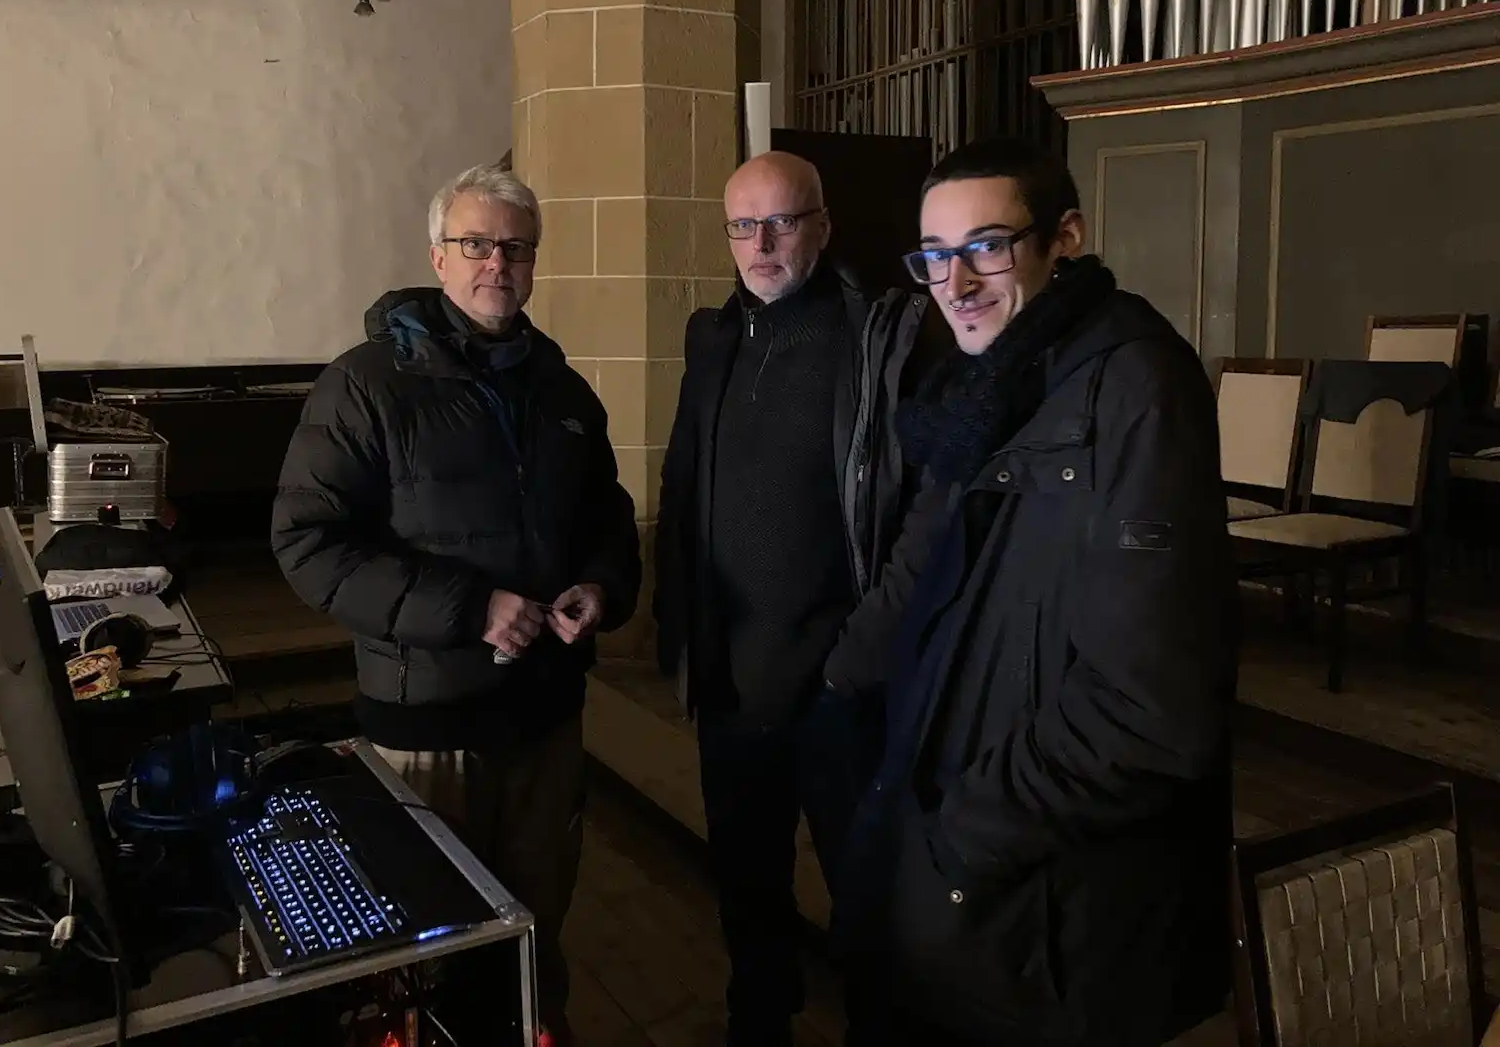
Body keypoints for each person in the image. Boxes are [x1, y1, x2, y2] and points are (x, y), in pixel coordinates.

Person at [838, 137, 1237, 1046]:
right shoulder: (990, 382)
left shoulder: (1136, 386)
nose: (957, 281)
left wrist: (957, 842)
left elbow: (1147, 710)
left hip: (1045, 889)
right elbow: (923, 566)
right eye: (935, 255)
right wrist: (840, 686)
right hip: (959, 838)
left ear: (1065, 238)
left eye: (987, 245)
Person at [271, 164, 641, 1047]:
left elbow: (610, 518)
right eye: (476, 244)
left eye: (515, 248)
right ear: (438, 256)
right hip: (427, 727)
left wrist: (601, 586)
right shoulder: (364, 386)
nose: (496, 264)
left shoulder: (562, 388)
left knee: (534, 932)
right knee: (423, 953)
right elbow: (308, 544)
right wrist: (470, 608)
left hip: (546, 720)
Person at [652, 150, 936, 1046]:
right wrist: (677, 634)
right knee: (747, 885)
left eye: (782, 222)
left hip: (839, 686)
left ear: (822, 224)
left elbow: (919, 511)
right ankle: (759, 1023)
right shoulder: (712, 336)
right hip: (733, 681)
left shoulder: (880, 336)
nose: (762, 244)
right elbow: (683, 478)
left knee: (867, 901)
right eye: (743, 225)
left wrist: (861, 655)